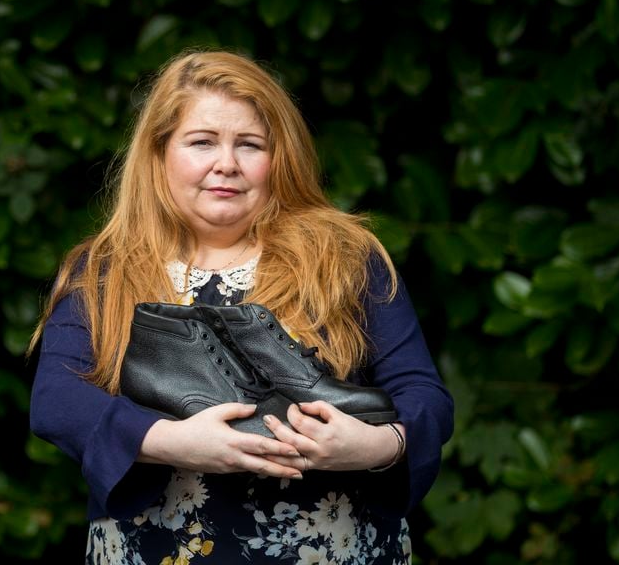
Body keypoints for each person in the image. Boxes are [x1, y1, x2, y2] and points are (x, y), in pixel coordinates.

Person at [29, 49, 454, 564]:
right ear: (160, 151)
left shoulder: (343, 258)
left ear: (280, 159)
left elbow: (423, 393)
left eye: (250, 145)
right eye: (202, 142)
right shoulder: (103, 271)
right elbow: (56, 398)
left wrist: (375, 446)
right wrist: (171, 441)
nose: (225, 163)